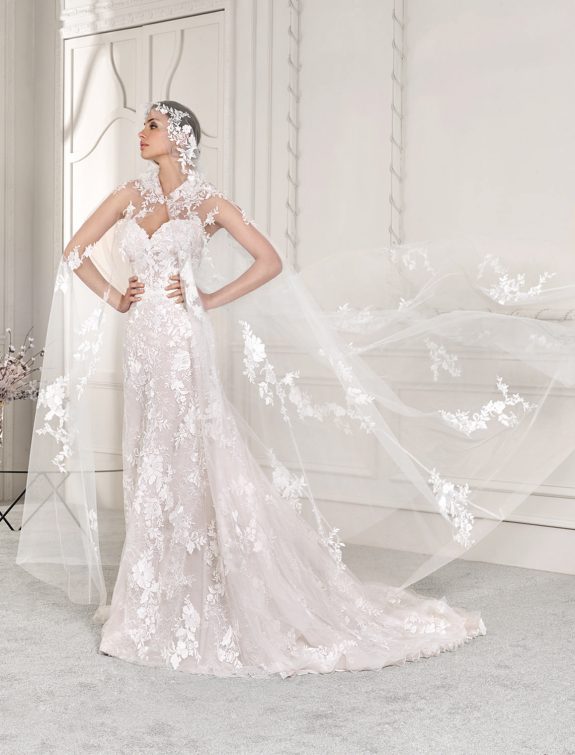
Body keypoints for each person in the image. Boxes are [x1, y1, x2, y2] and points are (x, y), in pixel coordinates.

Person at [16, 100, 575, 678]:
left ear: (180, 137)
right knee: (149, 457)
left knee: (190, 456)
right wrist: (116, 298)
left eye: (153, 125)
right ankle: (151, 596)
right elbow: (75, 252)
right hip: (142, 343)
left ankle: (200, 590)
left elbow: (269, 261)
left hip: (184, 341)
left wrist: (207, 299)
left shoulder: (208, 203)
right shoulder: (128, 196)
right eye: (144, 125)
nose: (142, 132)